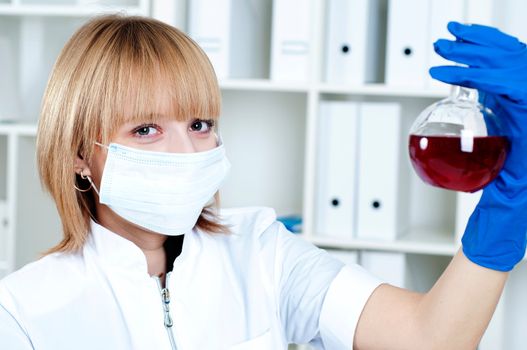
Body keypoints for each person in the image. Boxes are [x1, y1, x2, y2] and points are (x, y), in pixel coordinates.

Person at [0, 14, 526, 350]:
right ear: (77, 154)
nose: (187, 152)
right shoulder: (23, 312)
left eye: (200, 125)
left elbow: (429, 341)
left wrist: (506, 212)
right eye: (146, 129)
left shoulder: (260, 251)